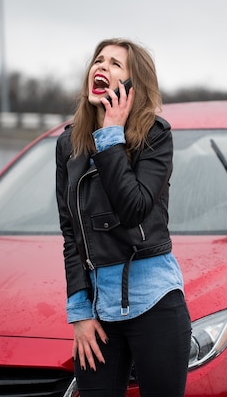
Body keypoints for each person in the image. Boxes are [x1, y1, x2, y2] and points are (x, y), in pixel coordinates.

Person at [55, 38, 191, 397]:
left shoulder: (155, 136)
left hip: (156, 303)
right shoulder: (69, 145)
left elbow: (133, 209)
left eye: (116, 64)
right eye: (98, 60)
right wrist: (80, 312)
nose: (101, 67)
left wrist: (112, 133)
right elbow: (71, 233)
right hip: (98, 312)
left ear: (134, 85)